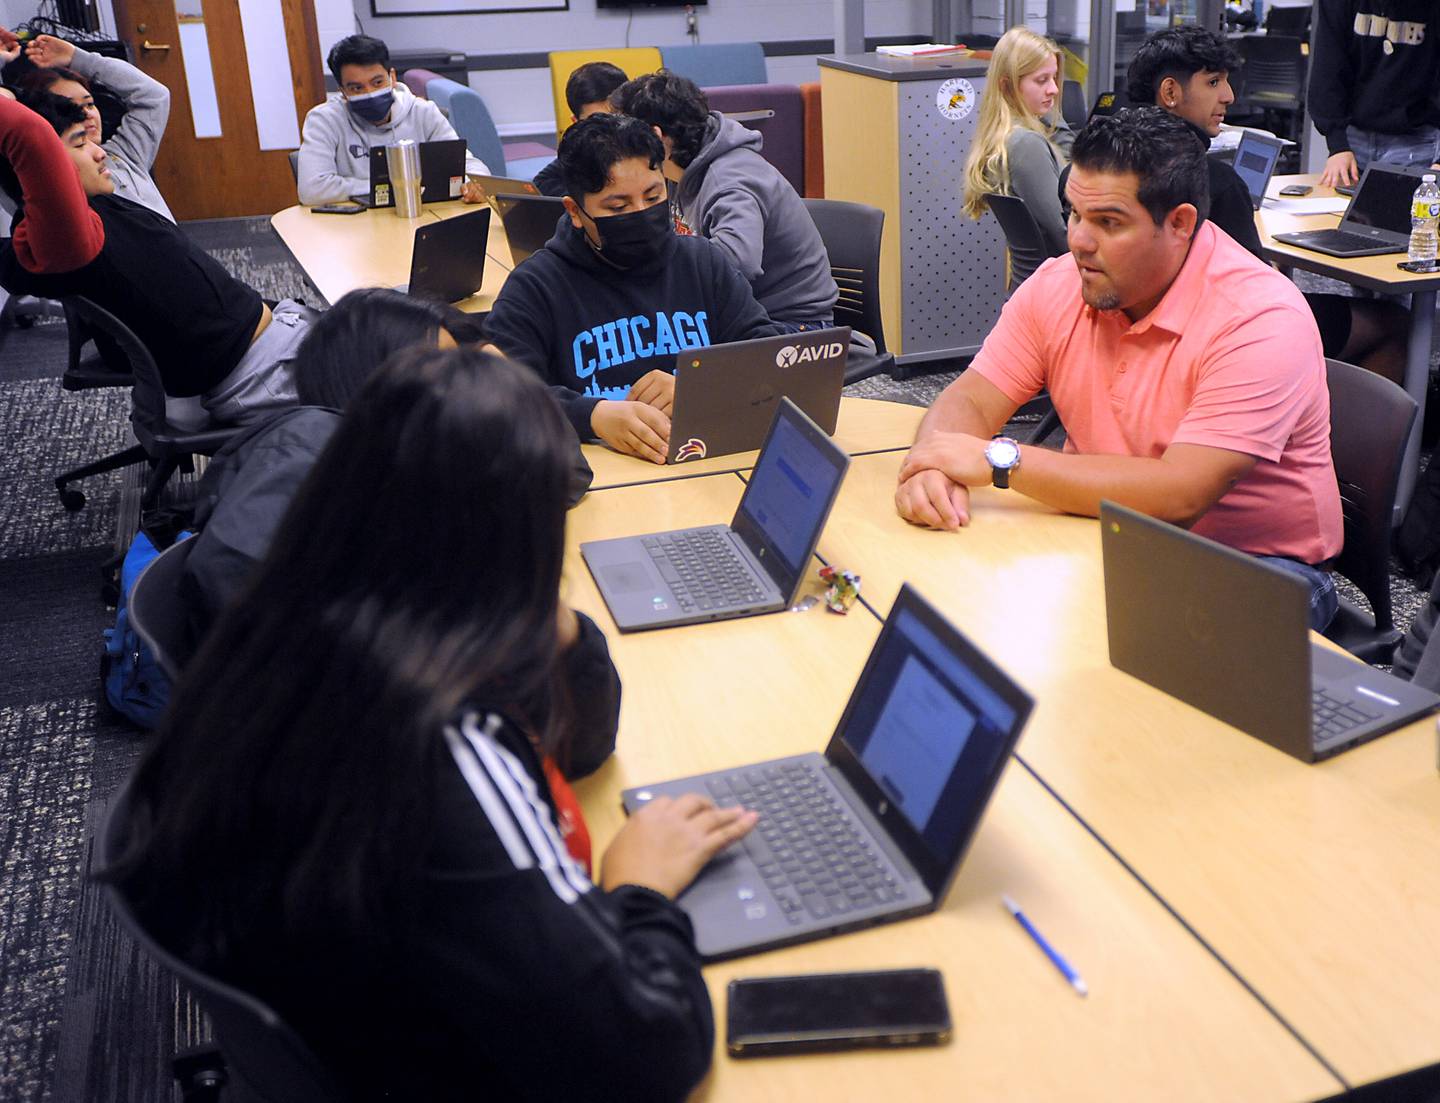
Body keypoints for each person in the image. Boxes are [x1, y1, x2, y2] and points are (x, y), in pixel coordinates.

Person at [103, 344, 753, 1100]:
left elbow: (581, 747)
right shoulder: (445, 745)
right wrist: (640, 887)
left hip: (351, 1001)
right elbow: (651, 1053)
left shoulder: (294, 622)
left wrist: (556, 630)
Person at [896, 109, 1342, 629]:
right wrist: (932, 466)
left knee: (1091, 664)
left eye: (1108, 223)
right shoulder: (1061, 283)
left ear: (1179, 224)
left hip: (1254, 564)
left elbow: (1179, 494)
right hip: (1103, 526)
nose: (1078, 241)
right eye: (1074, 214)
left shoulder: (1260, 319)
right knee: (962, 613)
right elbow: (972, 399)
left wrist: (1000, 461)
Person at [180, 288, 594, 638]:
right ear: (377, 378)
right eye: (442, 370)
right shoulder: (309, 445)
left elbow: (561, 473)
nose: (463, 384)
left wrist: (503, 378)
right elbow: (226, 574)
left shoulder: (420, 447)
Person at [483, 112, 779, 464]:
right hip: (607, 479)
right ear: (575, 212)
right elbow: (499, 394)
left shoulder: (702, 262)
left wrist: (702, 389)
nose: (640, 213)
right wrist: (591, 415)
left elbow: (769, 356)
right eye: (618, 206)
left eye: (653, 198)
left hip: (704, 463)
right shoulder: (537, 286)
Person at [0, 93, 305, 427]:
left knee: (365, 315)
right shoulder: (65, 242)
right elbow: (30, 136)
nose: (100, 152)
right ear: (44, 169)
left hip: (278, 336)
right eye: (79, 145)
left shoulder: (100, 203)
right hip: (263, 372)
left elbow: (151, 96)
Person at [1127, 25, 1410, 382]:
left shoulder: (1104, 163)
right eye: (1213, 82)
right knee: (1395, 322)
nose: (1229, 96)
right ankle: (1326, 430)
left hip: (1147, 337)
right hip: (1224, 344)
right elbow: (1260, 301)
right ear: (1170, 92)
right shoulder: (1213, 183)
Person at [611, 70, 838, 332]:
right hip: (744, 314)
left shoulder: (729, 180)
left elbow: (738, 263)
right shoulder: (677, 170)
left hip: (792, 328)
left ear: (656, 137)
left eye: (625, 140)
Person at [296, 34, 490, 207]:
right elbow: (311, 189)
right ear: (343, 92)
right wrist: (398, 184)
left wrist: (474, 184)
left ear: (393, 77)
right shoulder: (323, 120)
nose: (370, 94)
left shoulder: (423, 112)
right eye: (356, 88)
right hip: (355, 232)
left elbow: (471, 167)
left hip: (420, 219)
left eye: (377, 82)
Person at [16, 31, 174, 220]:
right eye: (70, 107)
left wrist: (78, 58)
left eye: (89, 103)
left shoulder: (123, 155)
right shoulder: (51, 188)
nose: (86, 114)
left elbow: (154, 96)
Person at [962, 26, 1076, 285]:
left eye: (1054, 78)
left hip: (1030, 288)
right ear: (1007, 85)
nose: (1054, 90)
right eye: (1041, 80)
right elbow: (1062, 237)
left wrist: (1045, 110)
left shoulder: (1003, 136)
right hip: (1050, 291)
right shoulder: (1026, 144)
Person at [1309, 0, 1440, 187]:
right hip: (1354, 139)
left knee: (1405, 213)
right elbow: (1328, 68)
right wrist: (1337, 145)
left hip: (1416, 139)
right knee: (1343, 213)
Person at [531, 61, 628, 198]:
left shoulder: (649, 143)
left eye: (616, 118)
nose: (608, 129)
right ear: (576, 123)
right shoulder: (580, 152)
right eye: (595, 121)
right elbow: (541, 184)